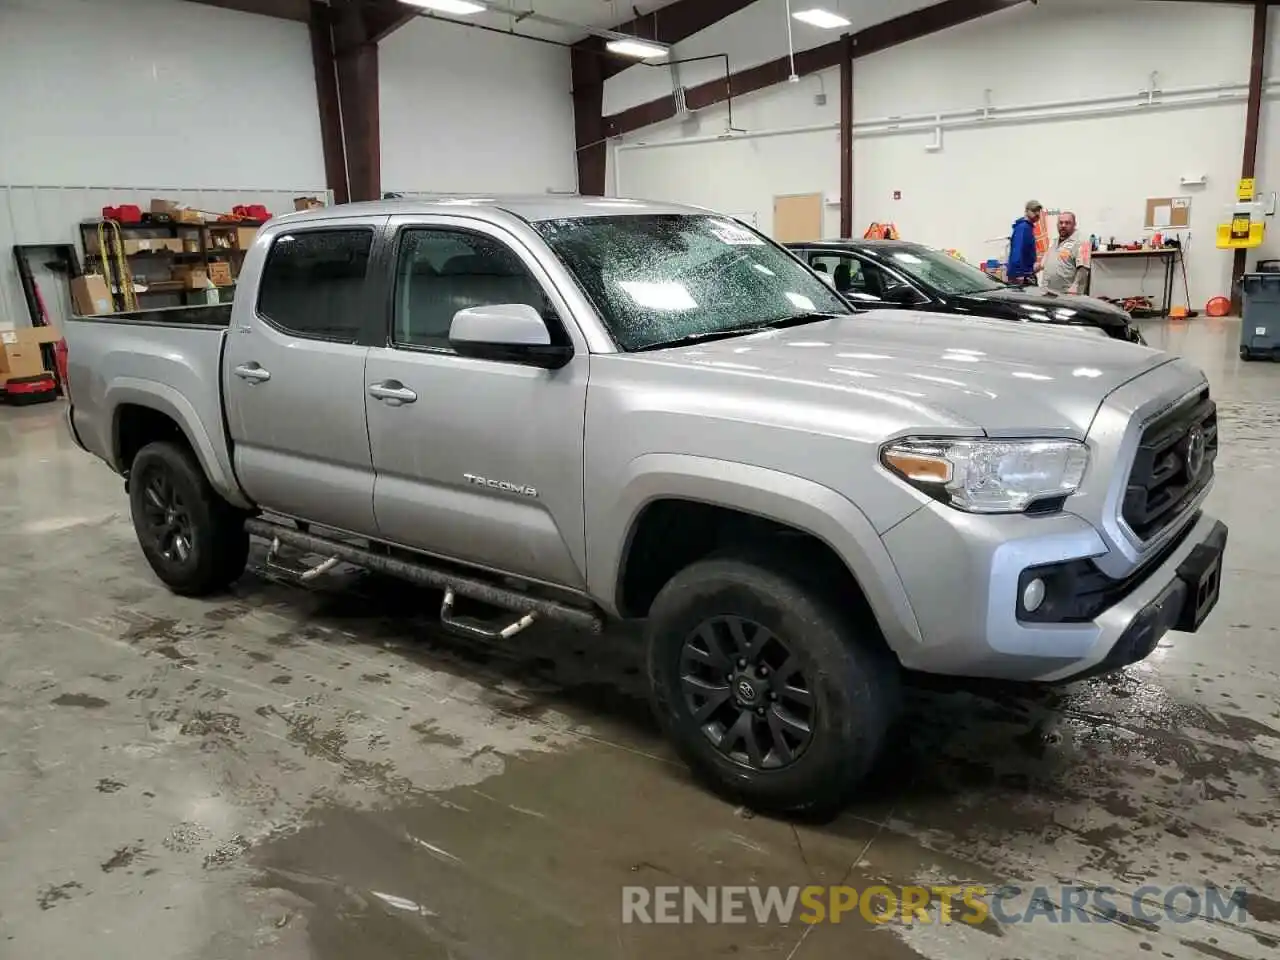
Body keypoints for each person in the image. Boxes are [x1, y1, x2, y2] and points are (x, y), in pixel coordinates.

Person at [1041, 210, 1091, 295]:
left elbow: (1084, 268)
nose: (1063, 225)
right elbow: (1045, 263)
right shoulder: (1054, 241)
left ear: (1074, 224)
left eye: (1067, 223)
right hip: (1048, 291)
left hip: (1068, 294)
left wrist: (1075, 286)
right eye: (1061, 223)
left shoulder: (1083, 242)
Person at [1006, 200, 1043, 286]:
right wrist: (1019, 275)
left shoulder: (1026, 227)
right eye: (1034, 211)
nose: (1037, 213)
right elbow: (1017, 251)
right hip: (1022, 276)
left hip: (1025, 273)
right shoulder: (1024, 227)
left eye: (1038, 211)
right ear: (1026, 211)